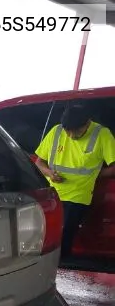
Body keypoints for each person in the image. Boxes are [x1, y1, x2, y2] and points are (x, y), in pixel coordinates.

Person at [34, 102, 115, 259]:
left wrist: (94, 174)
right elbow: (39, 162)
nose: (71, 136)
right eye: (67, 131)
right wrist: (49, 173)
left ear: (87, 123)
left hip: (77, 198)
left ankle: (60, 273)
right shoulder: (56, 131)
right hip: (51, 195)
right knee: (43, 239)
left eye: (76, 131)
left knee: (62, 241)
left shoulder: (102, 134)